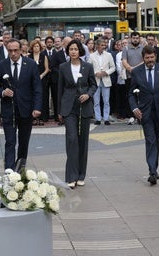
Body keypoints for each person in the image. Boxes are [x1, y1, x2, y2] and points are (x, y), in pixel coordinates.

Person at [0, 38, 42, 171]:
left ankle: (20, 168)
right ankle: (9, 171)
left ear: (21, 50)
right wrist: (3, 92)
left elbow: (37, 87)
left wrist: (37, 107)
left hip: (26, 109)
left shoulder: (31, 64)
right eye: (10, 51)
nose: (13, 53)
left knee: (23, 142)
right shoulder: (1, 65)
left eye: (16, 50)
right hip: (9, 110)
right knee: (10, 142)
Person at [128, 46, 159, 185]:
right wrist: (134, 107)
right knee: (150, 139)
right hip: (144, 112)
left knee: (157, 139)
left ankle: (154, 167)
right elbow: (130, 94)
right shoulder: (136, 72)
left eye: (152, 57)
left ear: (155, 57)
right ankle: (152, 171)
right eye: (147, 58)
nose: (150, 60)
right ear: (143, 58)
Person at [57, 40, 97, 188]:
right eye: (71, 49)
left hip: (84, 106)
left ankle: (81, 174)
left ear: (80, 51)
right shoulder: (63, 67)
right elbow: (59, 89)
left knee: (83, 141)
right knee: (72, 139)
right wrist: (59, 111)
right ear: (68, 51)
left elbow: (93, 85)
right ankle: (71, 176)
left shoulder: (88, 67)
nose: (73, 51)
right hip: (68, 107)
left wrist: (88, 95)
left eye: (76, 49)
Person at [88, 38, 115, 125]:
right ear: (97, 46)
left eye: (104, 45)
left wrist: (106, 72)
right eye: (102, 45)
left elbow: (113, 67)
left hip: (106, 80)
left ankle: (106, 118)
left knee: (106, 100)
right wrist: (95, 73)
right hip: (95, 80)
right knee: (96, 101)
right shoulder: (91, 56)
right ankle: (98, 119)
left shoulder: (109, 55)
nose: (104, 47)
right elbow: (88, 68)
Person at [122, 32, 144, 124]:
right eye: (134, 38)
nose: (135, 39)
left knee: (141, 95)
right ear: (130, 39)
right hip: (130, 76)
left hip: (141, 76)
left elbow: (144, 61)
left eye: (137, 38)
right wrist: (129, 68)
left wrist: (134, 68)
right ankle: (131, 115)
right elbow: (124, 61)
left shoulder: (143, 48)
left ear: (139, 39)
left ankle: (141, 115)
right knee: (130, 95)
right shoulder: (126, 48)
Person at [28, 39, 50, 125]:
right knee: (32, 97)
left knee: (42, 97)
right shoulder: (29, 57)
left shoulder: (43, 56)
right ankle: (34, 117)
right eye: (34, 46)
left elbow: (47, 69)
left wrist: (41, 75)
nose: (36, 48)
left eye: (37, 46)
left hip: (42, 79)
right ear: (32, 48)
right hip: (32, 80)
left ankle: (42, 117)